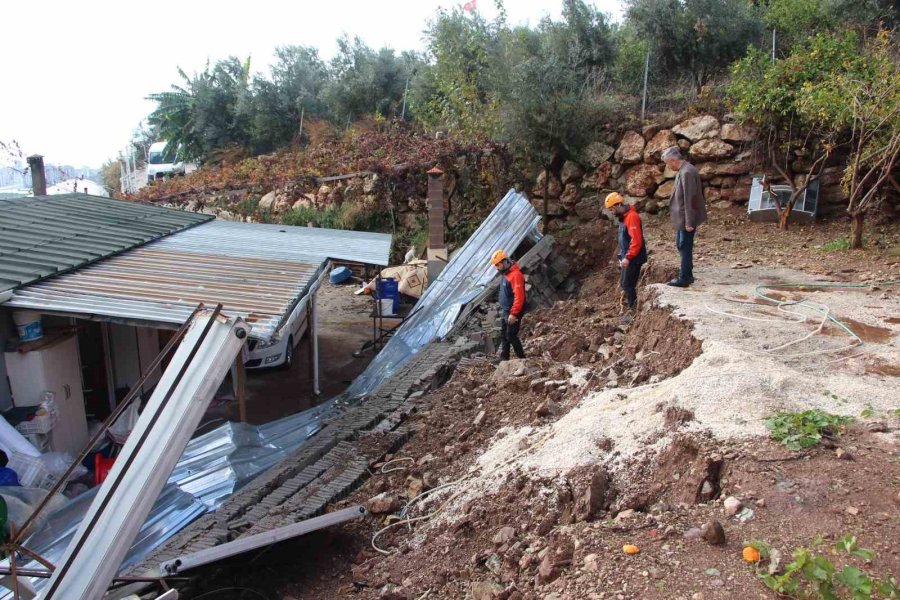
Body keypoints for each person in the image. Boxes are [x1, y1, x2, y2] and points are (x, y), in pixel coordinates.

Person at [661, 147, 707, 287]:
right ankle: (688, 272)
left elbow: (690, 199)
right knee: (681, 245)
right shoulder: (684, 170)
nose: (668, 166)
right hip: (683, 217)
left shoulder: (687, 172)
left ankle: (685, 277)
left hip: (686, 217)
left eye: (668, 163)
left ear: (673, 160)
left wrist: (689, 221)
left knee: (684, 245)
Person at [605, 192, 647, 311]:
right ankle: (632, 308)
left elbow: (636, 240)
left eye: (612, 209)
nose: (611, 212)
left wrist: (628, 257)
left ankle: (633, 310)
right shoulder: (623, 218)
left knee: (628, 284)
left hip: (634, 258)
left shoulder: (632, 217)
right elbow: (625, 240)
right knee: (625, 284)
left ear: (618, 205)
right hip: (628, 256)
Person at [490, 249, 526, 361]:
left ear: (504, 262)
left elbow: (519, 296)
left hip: (513, 311)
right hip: (506, 310)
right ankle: (504, 358)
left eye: (498, 265)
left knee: (511, 335)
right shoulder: (505, 274)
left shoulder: (515, 275)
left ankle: (522, 358)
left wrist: (514, 314)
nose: (497, 267)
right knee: (504, 334)